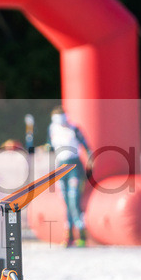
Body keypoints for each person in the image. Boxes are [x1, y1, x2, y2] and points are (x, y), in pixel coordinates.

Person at [48, 105, 92, 247]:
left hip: (74, 167)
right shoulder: (53, 129)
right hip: (60, 167)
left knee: (74, 201)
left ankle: (82, 235)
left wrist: (90, 164)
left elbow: (87, 147)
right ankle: (69, 236)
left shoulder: (73, 129)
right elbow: (50, 146)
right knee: (65, 202)